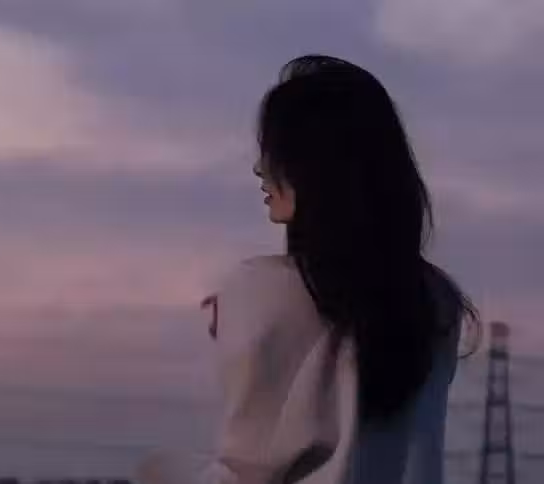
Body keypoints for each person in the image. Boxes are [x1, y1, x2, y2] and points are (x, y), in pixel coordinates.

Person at [137, 55, 479, 484]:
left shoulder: (258, 291)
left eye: (275, 151)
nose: (260, 168)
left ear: (319, 167)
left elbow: (246, 472)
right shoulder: (436, 301)